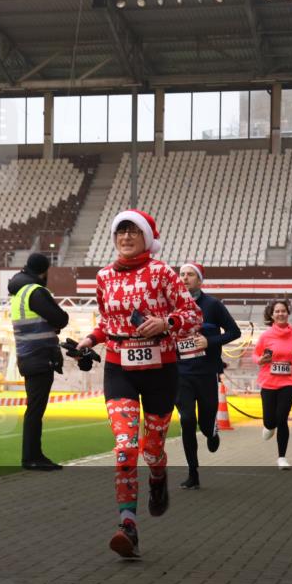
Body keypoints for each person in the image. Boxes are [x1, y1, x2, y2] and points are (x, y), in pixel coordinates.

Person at [77, 210, 202, 558]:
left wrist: (166, 322)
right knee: (124, 447)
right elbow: (106, 321)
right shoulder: (103, 276)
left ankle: (158, 475)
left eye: (133, 231)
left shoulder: (162, 272)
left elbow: (194, 316)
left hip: (161, 369)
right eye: (121, 231)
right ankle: (127, 524)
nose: (126, 237)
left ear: (147, 237)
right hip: (120, 370)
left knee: (151, 448)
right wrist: (89, 340)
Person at [174, 262, 241, 490]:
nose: (184, 278)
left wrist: (209, 341)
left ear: (200, 279)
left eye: (190, 275)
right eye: (181, 274)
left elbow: (235, 332)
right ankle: (193, 473)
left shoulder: (213, 305)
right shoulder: (171, 305)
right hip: (180, 373)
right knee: (186, 420)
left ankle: (211, 433)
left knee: (204, 424)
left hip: (206, 373)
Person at [8, 252, 69, 471]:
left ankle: (33, 455)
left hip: (28, 356)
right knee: (35, 409)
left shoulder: (18, 293)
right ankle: (32, 457)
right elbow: (61, 318)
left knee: (34, 408)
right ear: (43, 271)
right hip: (39, 356)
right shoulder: (35, 291)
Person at [252, 299, 292, 470]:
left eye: (283, 311)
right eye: (277, 311)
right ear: (271, 315)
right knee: (270, 421)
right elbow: (255, 356)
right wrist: (261, 359)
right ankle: (269, 426)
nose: (280, 314)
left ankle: (282, 457)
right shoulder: (265, 336)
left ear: (288, 313)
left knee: (282, 418)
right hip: (269, 382)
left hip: (289, 382)